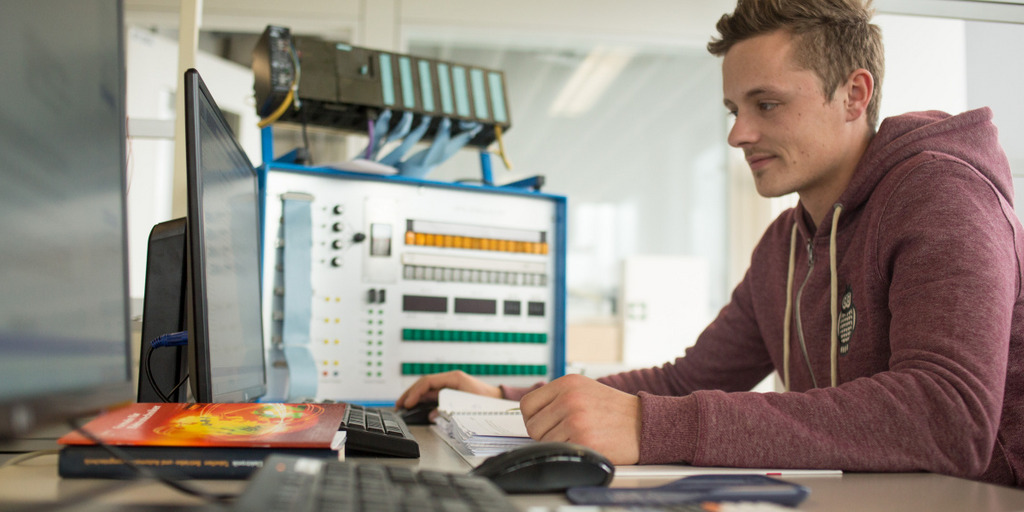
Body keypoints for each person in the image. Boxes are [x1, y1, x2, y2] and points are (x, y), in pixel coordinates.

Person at [398, 0, 1024, 487]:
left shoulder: (940, 193)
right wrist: (513, 401)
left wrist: (649, 427)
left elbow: (949, 417)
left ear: (853, 95)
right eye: (733, 109)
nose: (738, 134)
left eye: (767, 104)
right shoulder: (784, 246)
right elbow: (687, 379)